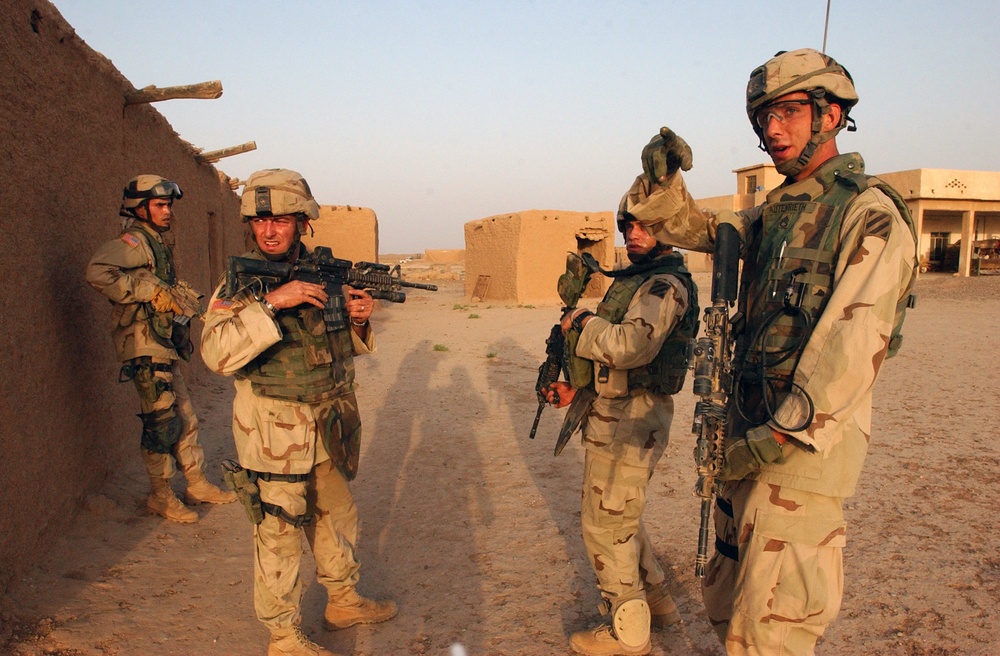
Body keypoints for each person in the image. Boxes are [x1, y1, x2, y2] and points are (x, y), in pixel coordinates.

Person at [630, 49, 918, 654]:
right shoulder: (770, 217)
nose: (772, 130)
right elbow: (694, 228)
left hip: (802, 450)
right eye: (763, 117)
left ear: (831, 114)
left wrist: (785, 432)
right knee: (726, 600)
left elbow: (853, 341)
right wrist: (660, 183)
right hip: (746, 431)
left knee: (773, 630)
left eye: (788, 112)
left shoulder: (868, 214)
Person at [200, 169, 396, 656]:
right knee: (279, 533)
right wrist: (270, 304)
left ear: (302, 223)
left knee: (334, 516)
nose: (269, 230)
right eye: (260, 220)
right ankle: (284, 637)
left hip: (327, 421)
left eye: (281, 220)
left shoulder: (323, 272)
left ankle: (343, 600)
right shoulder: (240, 281)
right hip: (273, 430)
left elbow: (336, 348)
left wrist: (356, 322)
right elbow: (216, 353)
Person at [544, 165, 700, 656]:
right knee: (621, 516)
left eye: (646, 226)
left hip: (633, 418)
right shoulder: (637, 278)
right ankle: (656, 605)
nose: (634, 234)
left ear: (670, 229)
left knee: (605, 524)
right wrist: (577, 388)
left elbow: (631, 347)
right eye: (628, 225)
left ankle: (628, 634)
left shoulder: (662, 286)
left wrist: (583, 322)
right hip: (615, 411)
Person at [86, 175, 236, 524]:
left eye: (169, 205)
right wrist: (146, 291)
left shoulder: (155, 242)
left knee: (185, 416)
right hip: (143, 343)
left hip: (162, 342)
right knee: (161, 421)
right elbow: (97, 271)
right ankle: (161, 495)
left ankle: (196, 483)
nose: (167, 211)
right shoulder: (135, 240)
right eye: (159, 205)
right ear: (140, 208)